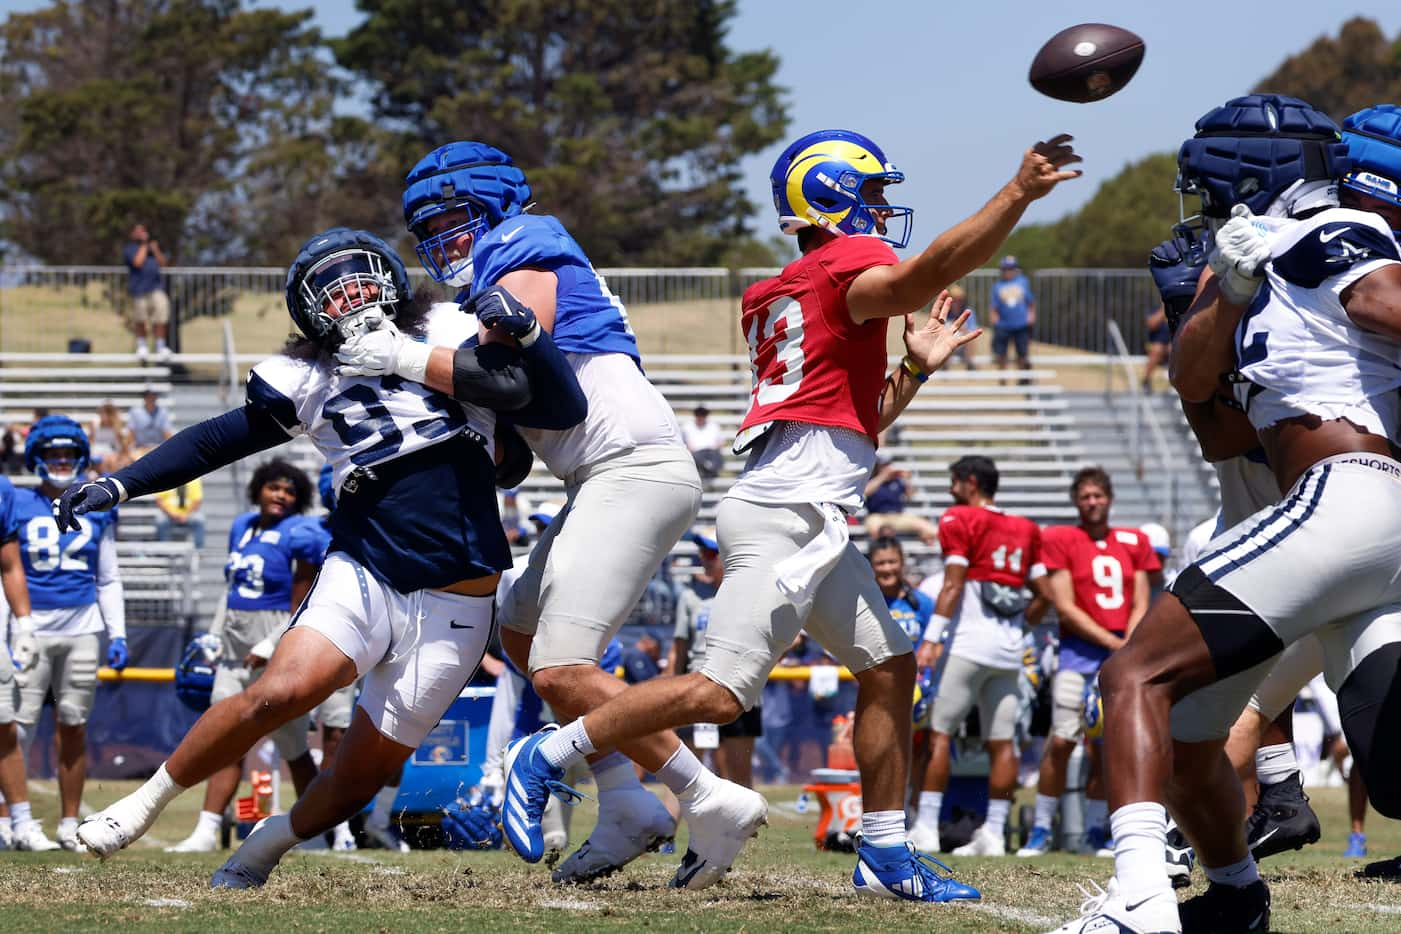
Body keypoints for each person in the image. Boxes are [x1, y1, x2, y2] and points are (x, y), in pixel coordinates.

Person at [498, 127, 1080, 899]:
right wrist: (1016, 195)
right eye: (869, 191)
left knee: (887, 666)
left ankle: (883, 853)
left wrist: (911, 367)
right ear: (828, 194)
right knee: (717, 692)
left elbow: (849, 415)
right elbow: (926, 275)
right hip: (787, 514)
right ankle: (549, 753)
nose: (881, 208)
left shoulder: (783, 289)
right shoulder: (845, 262)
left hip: (809, 509)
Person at [66, 227, 586, 889]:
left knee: (359, 779)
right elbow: (214, 440)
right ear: (309, 312)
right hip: (367, 565)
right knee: (280, 693)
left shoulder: (451, 327)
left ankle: (264, 845)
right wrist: (124, 481)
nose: (353, 296)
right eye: (333, 289)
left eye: (362, 280)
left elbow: (538, 402)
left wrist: (510, 365)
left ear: (392, 281)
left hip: (459, 592)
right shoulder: (303, 376)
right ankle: (142, 805)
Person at [1050, 97, 1401, 934]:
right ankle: (1237, 898)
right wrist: (1230, 292)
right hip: (1349, 529)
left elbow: (1386, 301)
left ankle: (1137, 898)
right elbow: (1194, 388)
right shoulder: (1254, 264)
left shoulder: (1336, 230)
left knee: (1133, 676)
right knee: (1192, 728)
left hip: (1347, 495)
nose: (1198, 204)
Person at [355, 140, 703, 884]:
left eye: (449, 219)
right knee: (517, 631)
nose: (439, 240)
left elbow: (507, 375)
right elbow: (514, 439)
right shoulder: (499, 263)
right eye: (426, 228)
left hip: (631, 465)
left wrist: (399, 357)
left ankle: (704, 797)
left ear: (488, 206)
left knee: (559, 665)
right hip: (602, 474)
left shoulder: (520, 240)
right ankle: (622, 798)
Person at [164, 460, 326, 854]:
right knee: (224, 741)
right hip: (234, 653)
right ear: (259, 488)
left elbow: (302, 602)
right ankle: (206, 829)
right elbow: (232, 590)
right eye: (274, 488)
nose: (280, 495)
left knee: (294, 748)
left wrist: (270, 645)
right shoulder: (242, 526)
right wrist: (213, 636)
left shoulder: (300, 533)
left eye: (289, 491)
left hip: (275, 650)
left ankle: (316, 831)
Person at [910, 455, 1048, 857]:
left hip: (968, 645)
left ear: (971, 483)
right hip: (1008, 650)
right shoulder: (1025, 528)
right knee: (1002, 743)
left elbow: (952, 587)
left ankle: (926, 828)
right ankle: (996, 833)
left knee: (939, 735)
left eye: (955, 483)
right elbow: (1045, 594)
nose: (952, 491)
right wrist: (1020, 629)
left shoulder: (960, 518)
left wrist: (931, 640)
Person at [1018, 467, 1158, 859]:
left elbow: (1141, 600)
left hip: (1121, 656)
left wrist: (1126, 645)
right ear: (1076, 502)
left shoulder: (1133, 540)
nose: (1092, 502)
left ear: (1109, 498)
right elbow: (1064, 604)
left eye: (1098, 495)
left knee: (1113, 745)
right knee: (1062, 740)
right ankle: (1042, 829)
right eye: (1085, 496)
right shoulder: (1061, 538)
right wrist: (1113, 641)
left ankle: (1102, 830)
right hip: (1079, 654)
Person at [11, 416, 127, 851]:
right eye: (52, 454)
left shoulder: (96, 504)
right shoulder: (17, 503)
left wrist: (118, 634)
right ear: (37, 459)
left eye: (67, 453)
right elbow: (9, 571)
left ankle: (68, 822)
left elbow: (108, 577)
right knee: (14, 729)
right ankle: (13, 821)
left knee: (74, 725)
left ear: (79, 456)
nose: (61, 461)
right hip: (29, 628)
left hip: (82, 628)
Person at [671, 529, 761, 788]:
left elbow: (787, 640)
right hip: (698, 689)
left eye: (711, 554)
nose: (705, 560)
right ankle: (665, 830)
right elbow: (678, 650)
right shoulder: (691, 596)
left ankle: (740, 829)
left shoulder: (751, 594)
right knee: (686, 775)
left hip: (741, 692)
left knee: (737, 779)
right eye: (702, 554)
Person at [0, 474, 60, 852]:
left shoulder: (2, 489)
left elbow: (9, 564)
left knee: (4, 726)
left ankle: (20, 821)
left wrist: (24, 624)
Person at [863, 451, 937, 544]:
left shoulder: (897, 480)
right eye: (883, 465)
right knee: (873, 527)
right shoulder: (871, 479)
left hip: (898, 516)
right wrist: (882, 477)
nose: (887, 467)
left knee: (930, 528)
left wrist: (906, 480)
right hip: (877, 516)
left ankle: (927, 554)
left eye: (888, 464)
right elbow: (866, 492)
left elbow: (910, 495)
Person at [122, 224, 171, 360]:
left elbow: (163, 263)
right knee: (140, 318)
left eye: (143, 230)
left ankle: (160, 346)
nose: (142, 233)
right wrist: (144, 245)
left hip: (156, 287)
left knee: (161, 314)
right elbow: (137, 262)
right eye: (138, 231)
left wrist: (155, 249)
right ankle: (142, 346)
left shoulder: (153, 248)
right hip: (139, 289)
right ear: (133, 234)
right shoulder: (130, 248)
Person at [989, 255, 1034, 373]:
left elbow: (1030, 302)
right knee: (1001, 353)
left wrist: (1031, 315)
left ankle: (1023, 377)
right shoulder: (997, 286)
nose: (1009, 271)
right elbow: (994, 306)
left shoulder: (1023, 282)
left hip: (1021, 323)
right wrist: (994, 320)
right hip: (1003, 324)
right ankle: (1003, 377)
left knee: (1022, 352)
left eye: (1011, 268)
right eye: (1006, 268)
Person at [153, 478, 206, 549]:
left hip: (188, 514)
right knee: (160, 520)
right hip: (169, 515)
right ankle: (164, 551)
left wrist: (186, 515)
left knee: (199, 519)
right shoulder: (165, 477)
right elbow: (159, 500)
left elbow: (197, 501)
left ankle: (199, 551)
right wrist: (172, 514)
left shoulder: (194, 478)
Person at [682, 405, 725, 480]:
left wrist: (715, 448)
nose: (701, 417)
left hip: (711, 452)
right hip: (696, 454)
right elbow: (685, 443)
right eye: (698, 414)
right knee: (697, 458)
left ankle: (707, 468)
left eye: (703, 414)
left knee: (716, 458)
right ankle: (709, 469)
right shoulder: (687, 426)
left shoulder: (714, 426)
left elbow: (721, 442)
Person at [90, 401, 133, 472]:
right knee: (106, 460)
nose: (103, 415)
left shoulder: (117, 426)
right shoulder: (95, 422)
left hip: (112, 451)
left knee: (115, 461)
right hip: (97, 450)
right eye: (102, 412)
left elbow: (123, 446)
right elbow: (91, 440)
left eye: (107, 413)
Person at [127, 389, 173, 454]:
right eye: (147, 396)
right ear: (144, 398)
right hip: (140, 448)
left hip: (158, 447)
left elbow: (167, 433)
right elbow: (131, 433)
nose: (150, 398)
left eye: (153, 396)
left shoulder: (163, 412)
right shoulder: (135, 412)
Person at [945, 284, 978, 370]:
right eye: (954, 300)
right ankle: (945, 366)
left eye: (959, 300)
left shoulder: (968, 312)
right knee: (945, 339)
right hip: (947, 344)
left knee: (970, 338)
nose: (957, 303)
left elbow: (973, 331)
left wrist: (961, 328)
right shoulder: (944, 313)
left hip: (963, 343)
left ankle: (969, 364)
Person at [1142, 304, 1170, 392]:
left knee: (1175, 349)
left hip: (1171, 345)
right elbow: (1151, 324)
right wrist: (1163, 311)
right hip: (1155, 344)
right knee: (1157, 349)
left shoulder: (1177, 310)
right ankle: (1146, 380)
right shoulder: (1154, 310)